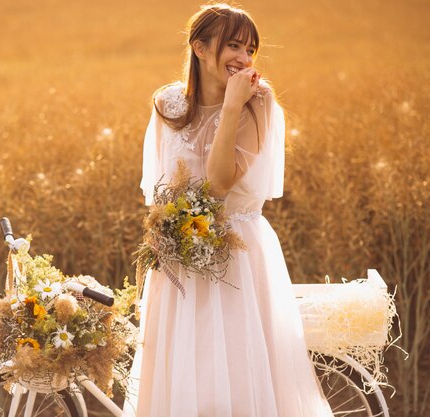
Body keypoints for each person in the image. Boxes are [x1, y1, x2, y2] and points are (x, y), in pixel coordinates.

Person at [123, 4, 334, 417]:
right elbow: (160, 191)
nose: (244, 58)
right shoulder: (168, 103)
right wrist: (169, 234)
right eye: (233, 45)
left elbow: (220, 183)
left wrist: (233, 104)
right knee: (183, 376)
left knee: (235, 380)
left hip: (236, 257)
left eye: (251, 49)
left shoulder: (258, 102)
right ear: (199, 48)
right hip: (179, 257)